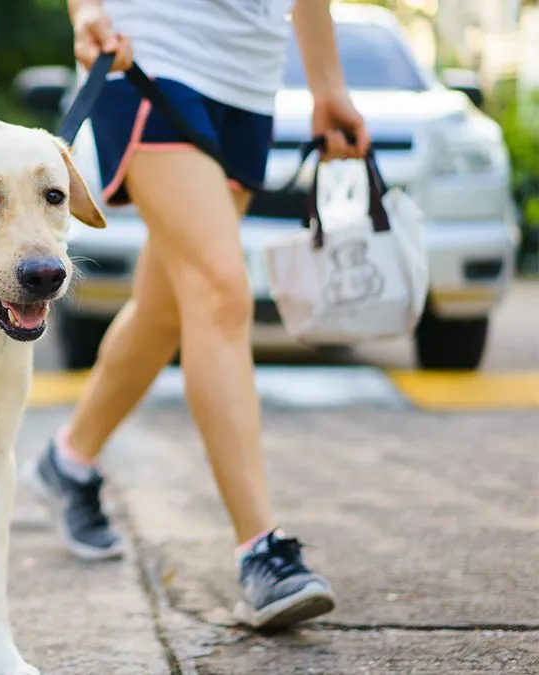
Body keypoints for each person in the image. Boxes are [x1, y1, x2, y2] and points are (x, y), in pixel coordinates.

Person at [23, 0, 371, 630]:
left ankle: (69, 459)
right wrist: (85, 10)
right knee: (219, 290)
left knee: (168, 307)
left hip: (248, 76)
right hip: (153, 51)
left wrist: (327, 87)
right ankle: (261, 551)